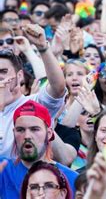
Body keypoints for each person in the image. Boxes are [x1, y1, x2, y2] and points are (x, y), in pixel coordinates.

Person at [0, 23, 66, 159]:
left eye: (4, 71)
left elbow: (58, 88)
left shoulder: (33, 104)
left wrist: (43, 48)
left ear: (19, 76)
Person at [0, 100, 78, 198]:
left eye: (34, 129)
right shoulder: (3, 170)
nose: (27, 136)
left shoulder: (72, 180)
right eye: (20, 130)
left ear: (49, 134)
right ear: (14, 133)